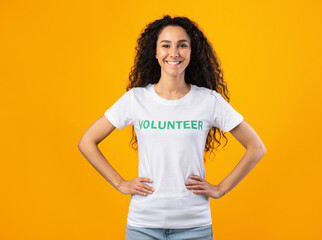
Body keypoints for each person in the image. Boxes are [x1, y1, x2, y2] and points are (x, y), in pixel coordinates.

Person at [78, 15, 266, 240]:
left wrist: (221, 188)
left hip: (194, 226)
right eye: (165, 45)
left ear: (191, 52)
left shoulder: (208, 101)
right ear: (155, 53)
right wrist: (119, 183)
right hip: (143, 225)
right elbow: (86, 142)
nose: (174, 53)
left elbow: (256, 147)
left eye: (182, 45)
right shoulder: (135, 99)